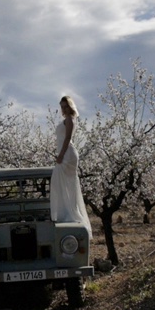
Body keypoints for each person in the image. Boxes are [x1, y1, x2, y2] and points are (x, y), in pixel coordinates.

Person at [50, 96, 92, 238]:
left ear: (71, 106)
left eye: (66, 106)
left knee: (62, 181)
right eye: (62, 107)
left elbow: (67, 138)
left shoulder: (70, 120)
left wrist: (61, 154)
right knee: (61, 182)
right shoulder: (67, 119)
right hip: (65, 153)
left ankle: (70, 214)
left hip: (67, 154)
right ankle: (67, 212)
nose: (64, 109)